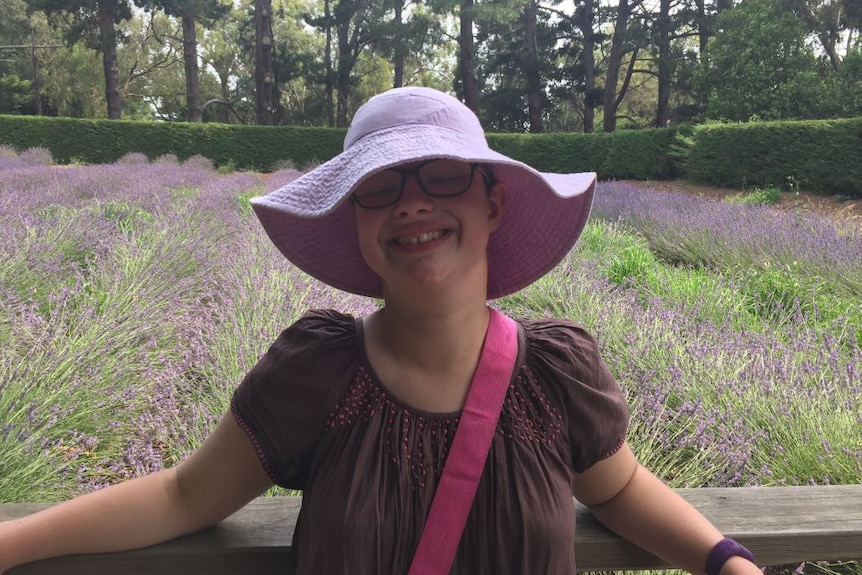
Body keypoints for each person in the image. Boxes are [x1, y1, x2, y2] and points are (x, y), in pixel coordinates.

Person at [0, 87, 762, 575]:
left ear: (493, 203)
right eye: (380, 186)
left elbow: (620, 484)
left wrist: (724, 557)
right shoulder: (316, 372)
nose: (410, 203)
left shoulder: (556, 374)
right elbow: (182, 494)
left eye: (441, 175)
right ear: (356, 221)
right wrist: (13, 542)